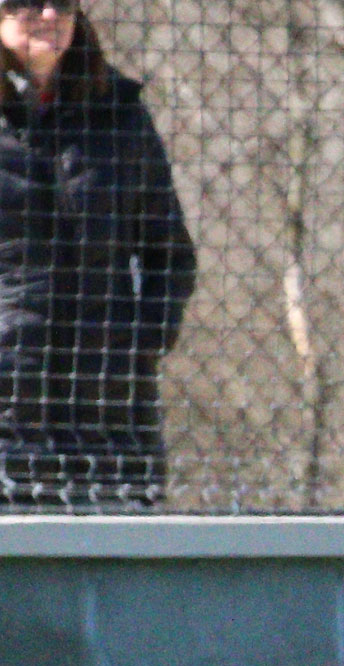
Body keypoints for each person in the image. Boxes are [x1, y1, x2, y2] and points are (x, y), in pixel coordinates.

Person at [0, 0, 196, 507]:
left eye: (62, 2)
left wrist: (143, 338)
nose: (47, 14)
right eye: (23, 1)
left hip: (108, 397)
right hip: (7, 394)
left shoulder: (119, 114)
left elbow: (169, 253)